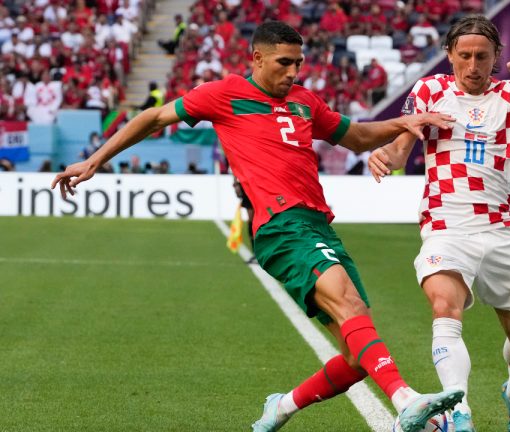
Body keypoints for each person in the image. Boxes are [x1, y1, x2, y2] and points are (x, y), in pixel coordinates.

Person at [51, 21, 462, 432]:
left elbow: (355, 136)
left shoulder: (304, 101)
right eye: (284, 63)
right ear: (257, 58)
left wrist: (409, 122)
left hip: (318, 224)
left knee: (357, 356)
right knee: (349, 304)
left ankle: (280, 408)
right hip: (280, 225)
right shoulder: (224, 93)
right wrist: (93, 162)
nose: (293, 72)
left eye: (298, 63)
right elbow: (155, 117)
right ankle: (406, 401)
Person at [367, 14, 510, 432]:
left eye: (482, 56)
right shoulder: (429, 90)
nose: (473, 66)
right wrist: (386, 155)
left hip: (500, 230)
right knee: (444, 306)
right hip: (445, 224)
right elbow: (402, 148)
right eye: (464, 56)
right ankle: (461, 414)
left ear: (496, 56)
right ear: (449, 56)